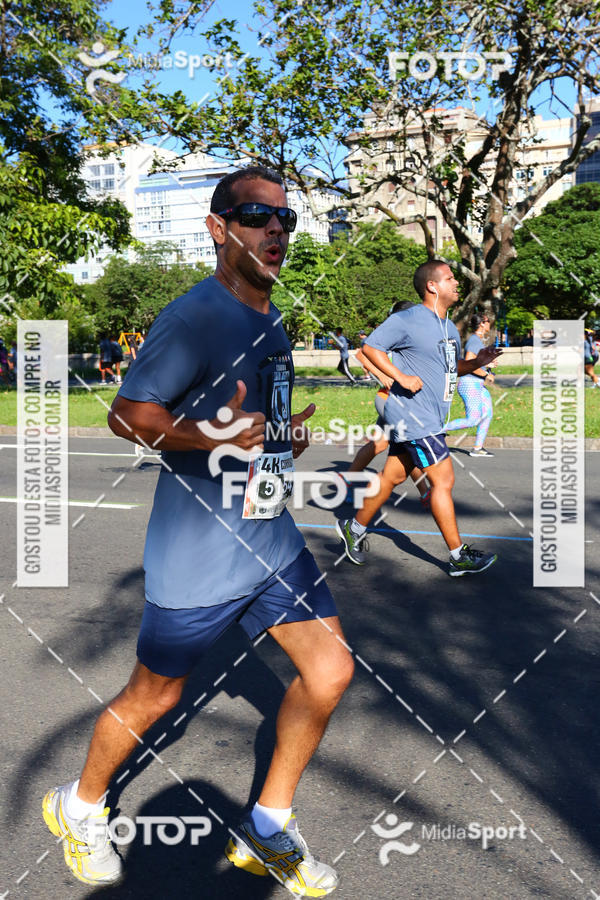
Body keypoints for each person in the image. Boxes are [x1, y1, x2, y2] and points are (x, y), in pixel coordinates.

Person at [43, 166, 353, 896]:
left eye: (285, 219)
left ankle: (267, 828)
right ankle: (78, 807)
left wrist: (280, 437)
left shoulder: (270, 315)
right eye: (256, 216)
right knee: (156, 697)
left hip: (269, 536)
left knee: (330, 671)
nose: (275, 230)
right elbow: (128, 415)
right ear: (219, 229)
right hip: (202, 552)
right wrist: (213, 436)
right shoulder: (194, 317)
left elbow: (253, 421)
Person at [335, 259, 502, 576]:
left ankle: (353, 529)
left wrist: (477, 362)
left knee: (392, 477)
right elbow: (370, 348)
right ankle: (458, 556)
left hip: (428, 417)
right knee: (443, 480)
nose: (457, 282)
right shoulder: (407, 318)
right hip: (415, 416)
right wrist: (399, 377)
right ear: (432, 286)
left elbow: (451, 369)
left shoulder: (448, 326)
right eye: (450, 278)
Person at [344, 305, 431, 508]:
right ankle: (426, 493)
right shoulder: (392, 332)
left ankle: (347, 482)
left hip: (401, 401)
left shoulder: (411, 334)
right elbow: (361, 354)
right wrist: (381, 375)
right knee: (408, 444)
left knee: (380, 444)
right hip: (389, 399)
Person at [445, 313, 496, 457]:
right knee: (473, 419)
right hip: (469, 384)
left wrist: (488, 365)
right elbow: (469, 363)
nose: (490, 323)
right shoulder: (474, 340)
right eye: (488, 321)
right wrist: (486, 374)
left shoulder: (477, 340)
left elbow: (475, 362)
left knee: (487, 414)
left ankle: (478, 448)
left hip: (478, 384)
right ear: (482, 324)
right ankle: (436, 431)